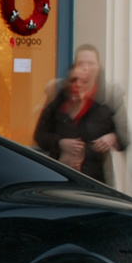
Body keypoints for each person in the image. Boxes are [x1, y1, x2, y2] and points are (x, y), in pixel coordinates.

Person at [33, 44, 124, 182]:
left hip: (96, 182)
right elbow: (40, 136)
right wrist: (60, 143)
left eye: (91, 63)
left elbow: (125, 137)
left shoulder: (109, 96)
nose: (86, 68)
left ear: (98, 67)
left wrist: (112, 138)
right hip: (60, 177)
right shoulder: (59, 93)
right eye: (81, 63)